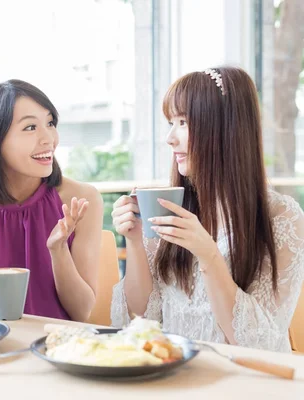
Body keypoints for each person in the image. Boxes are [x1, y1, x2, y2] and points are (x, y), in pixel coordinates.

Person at [111, 66, 304, 352]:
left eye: (183, 122)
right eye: (170, 122)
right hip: (174, 377)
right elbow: (137, 322)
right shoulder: (171, 205)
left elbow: (259, 342)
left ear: (226, 130)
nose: (170, 138)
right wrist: (135, 242)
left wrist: (209, 255)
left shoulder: (281, 217)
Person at [0, 79, 104, 322]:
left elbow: (81, 312)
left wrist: (58, 251)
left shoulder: (81, 200)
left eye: (50, 123)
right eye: (30, 128)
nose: (49, 138)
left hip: (60, 349)